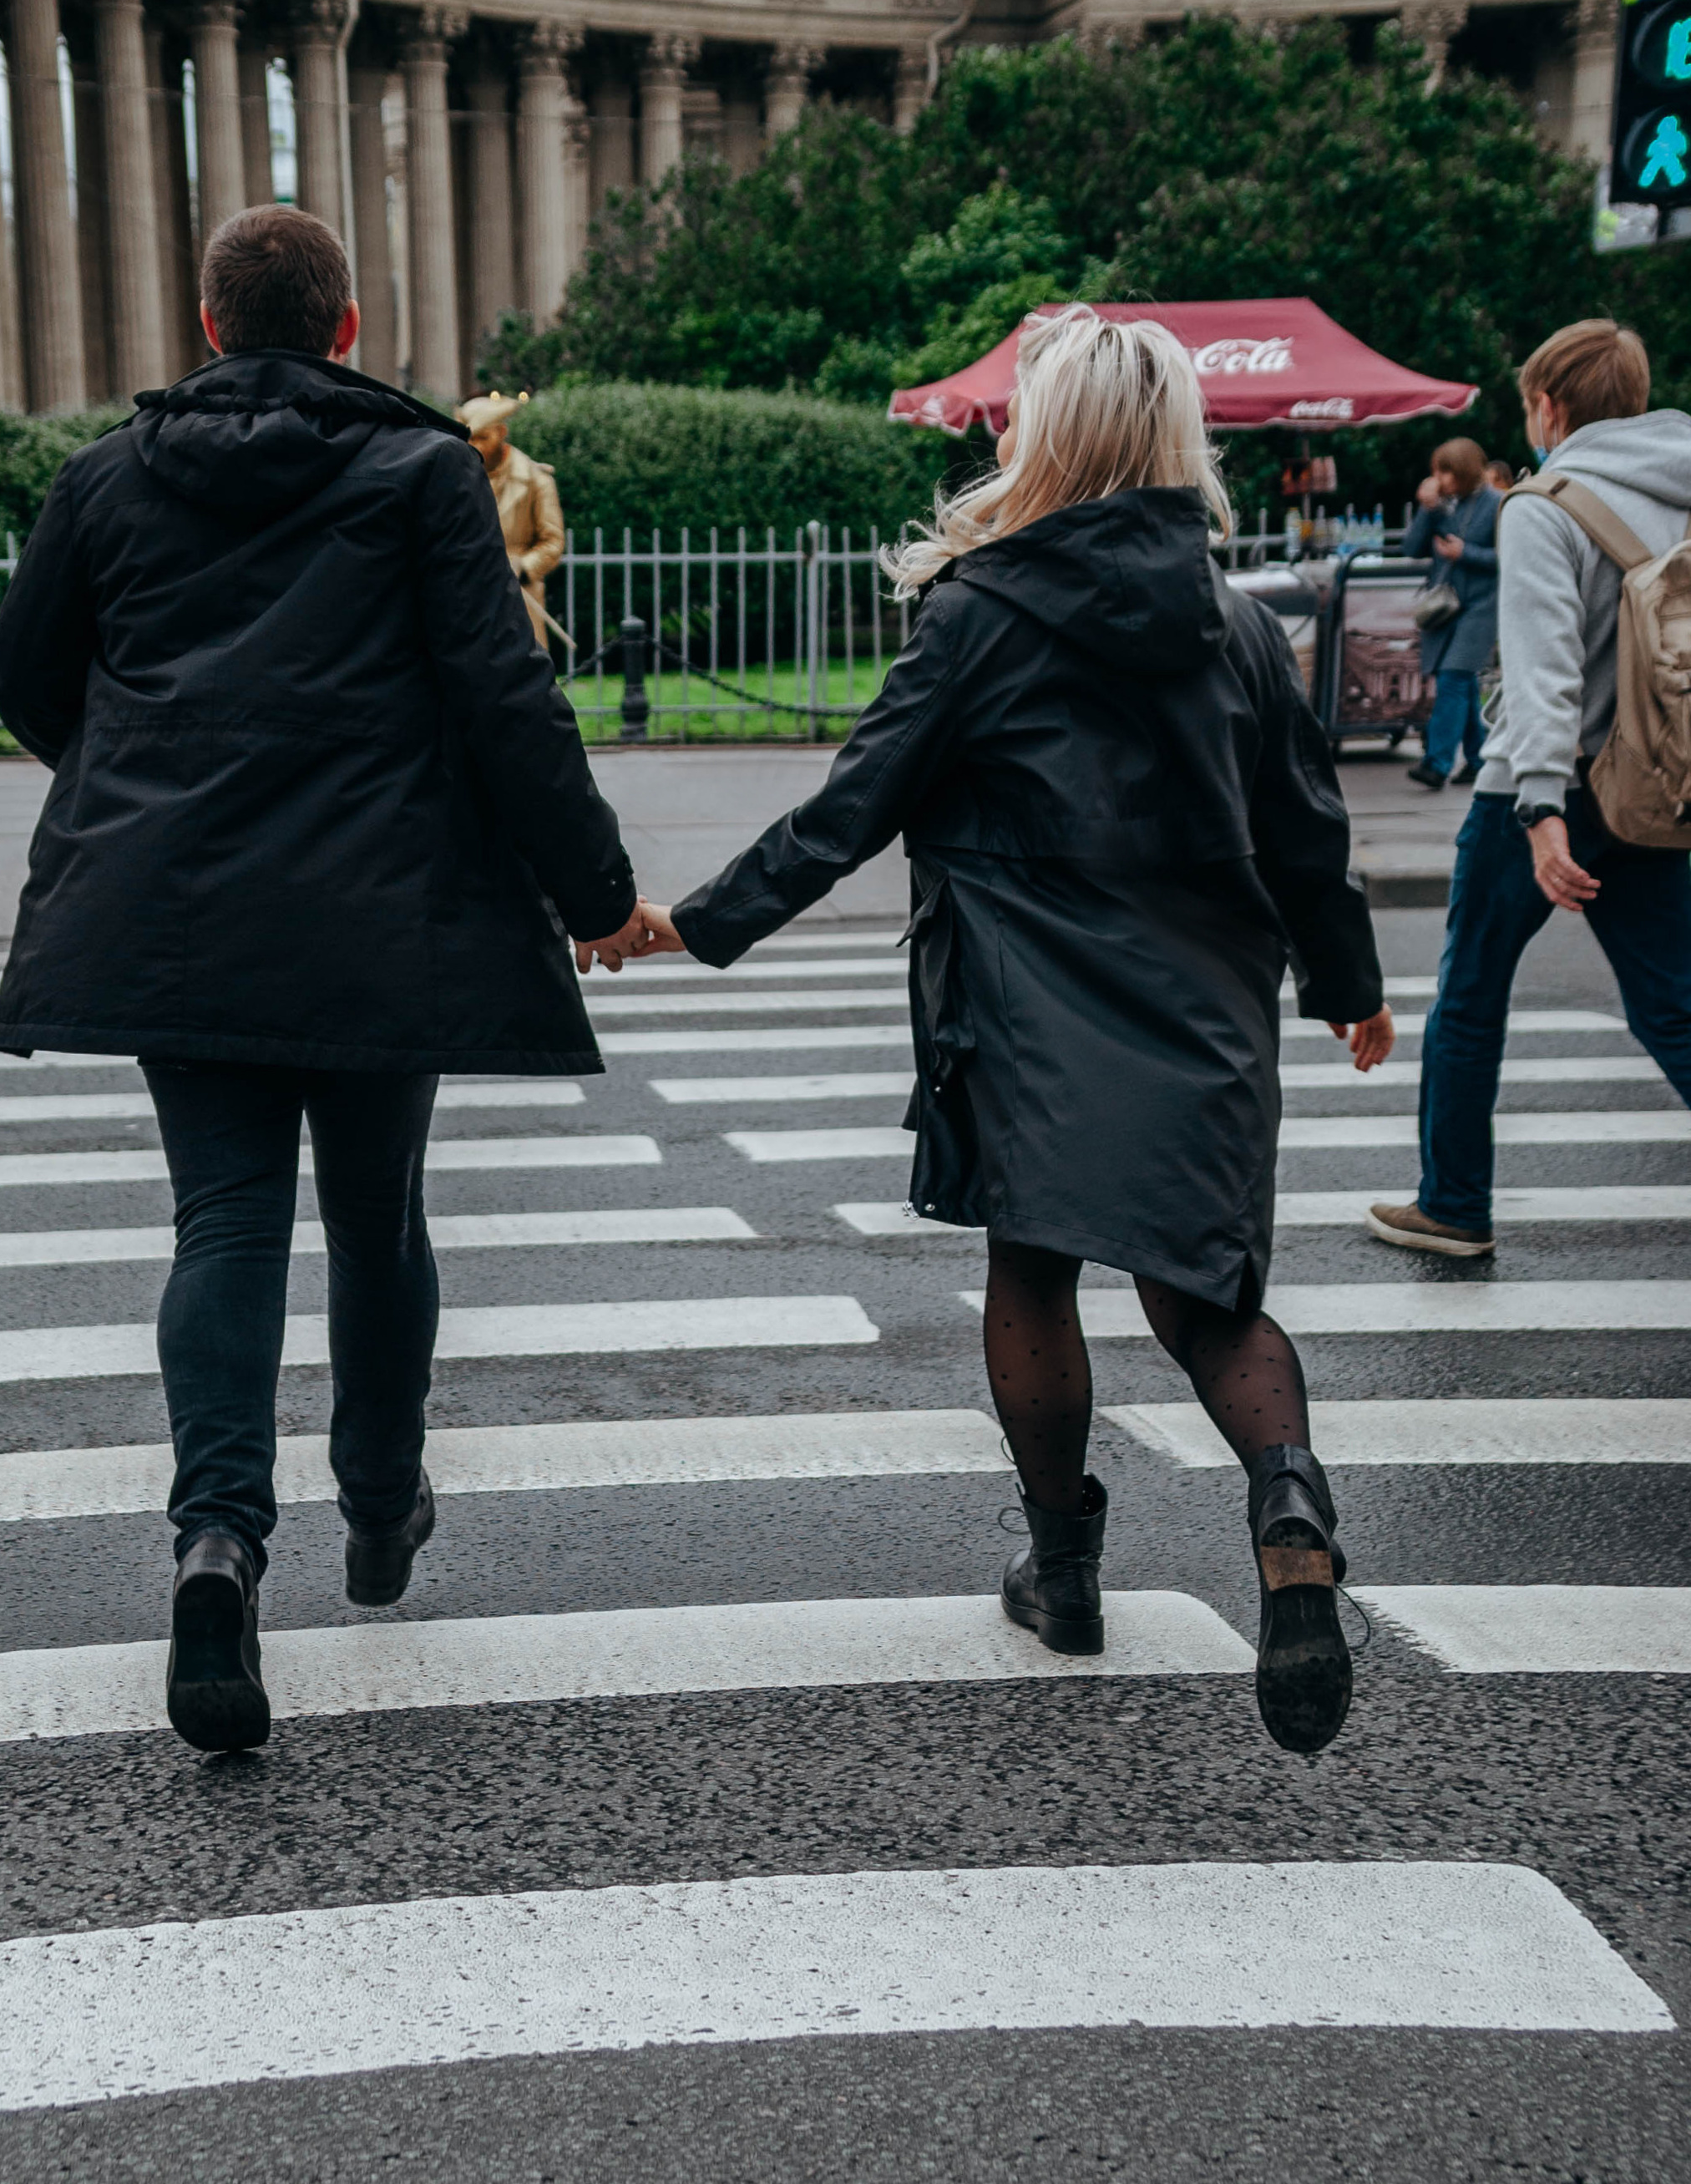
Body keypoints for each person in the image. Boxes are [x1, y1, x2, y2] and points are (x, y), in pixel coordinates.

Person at [623, 307, 1392, 1757]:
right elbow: (1310, 838)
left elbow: (853, 808)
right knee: (1208, 1298)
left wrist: (699, 921)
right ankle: (1289, 1503)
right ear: (1174, 440)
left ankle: (1067, 1567)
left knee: (1032, 1269)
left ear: (1046, 437)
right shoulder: (1239, 627)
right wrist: (1347, 988)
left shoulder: (980, 612)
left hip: (1026, 1001)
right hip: (1202, 1004)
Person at [0, 206, 644, 1755]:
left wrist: (142, 766)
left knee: (221, 1218)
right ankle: (378, 1495)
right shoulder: (420, 473)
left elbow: (24, 675)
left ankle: (216, 1540)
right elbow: (505, 698)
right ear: (346, 328)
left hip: (177, 915)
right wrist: (595, 890)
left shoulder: (106, 478)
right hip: (376, 910)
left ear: (209, 325)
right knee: (375, 1212)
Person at [1371, 317, 1691, 1261]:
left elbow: (1548, 669)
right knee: (1672, 1002)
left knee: (1471, 991)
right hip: (1654, 780)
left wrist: (1543, 810)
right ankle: (1449, 1199)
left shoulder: (1543, 506)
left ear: (1547, 406)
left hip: (1538, 791)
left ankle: (1453, 1203)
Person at [1402, 437, 1499, 788]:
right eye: (1437, 471)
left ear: (1464, 471)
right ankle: (1479, 759)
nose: (1440, 479)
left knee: (1453, 678)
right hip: (1447, 607)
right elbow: (1412, 548)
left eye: (1446, 471)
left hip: (1482, 607)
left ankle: (1437, 763)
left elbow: (1508, 557)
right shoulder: (1444, 505)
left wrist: (1466, 553)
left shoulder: (1497, 503)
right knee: (1464, 684)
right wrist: (1427, 510)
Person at [462, 388, 567, 649]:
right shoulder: (455, 479)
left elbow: (553, 542)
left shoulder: (536, 480)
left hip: (519, 599)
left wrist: (523, 566)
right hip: (466, 595)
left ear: (501, 433)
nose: (475, 446)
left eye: (482, 438)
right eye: (470, 439)